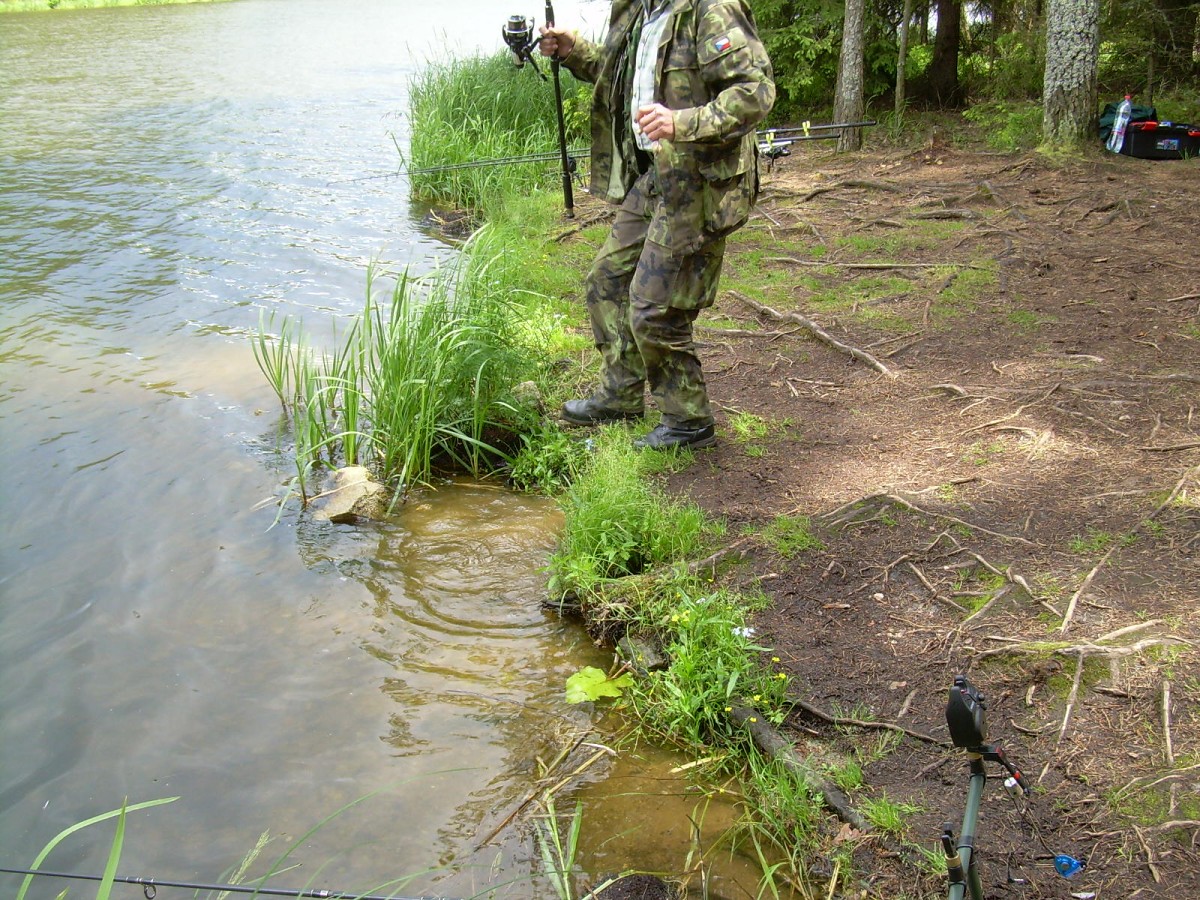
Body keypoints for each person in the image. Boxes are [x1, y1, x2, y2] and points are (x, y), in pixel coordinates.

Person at [539, 0, 774, 450]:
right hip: (655, 174)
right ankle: (620, 396)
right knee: (606, 281)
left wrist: (681, 121)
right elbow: (623, 76)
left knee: (654, 307)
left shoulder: (712, 9)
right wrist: (573, 51)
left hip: (700, 183)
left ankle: (689, 422)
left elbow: (754, 91)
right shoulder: (639, 9)